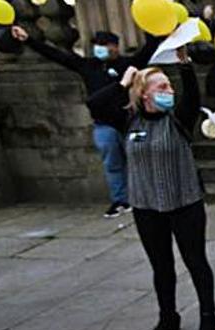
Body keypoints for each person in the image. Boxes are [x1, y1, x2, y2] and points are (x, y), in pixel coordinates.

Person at [87, 52, 215, 330]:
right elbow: (95, 105)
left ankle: (208, 317)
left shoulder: (178, 120)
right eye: (161, 87)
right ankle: (168, 317)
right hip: (146, 206)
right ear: (144, 93)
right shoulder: (128, 120)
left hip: (185, 202)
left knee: (195, 261)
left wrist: (185, 65)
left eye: (169, 87)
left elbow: (192, 97)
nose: (168, 91)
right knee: (161, 265)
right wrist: (123, 83)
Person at [9, 26, 158, 218]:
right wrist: (29, 40)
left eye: (105, 45)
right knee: (112, 164)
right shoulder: (88, 66)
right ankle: (120, 200)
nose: (101, 48)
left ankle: (145, 196)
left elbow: (149, 48)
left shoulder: (128, 65)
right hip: (104, 123)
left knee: (139, 161)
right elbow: (57, 56)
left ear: (115, 46)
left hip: (130, 123)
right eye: (98, 45)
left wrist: (148, 25)